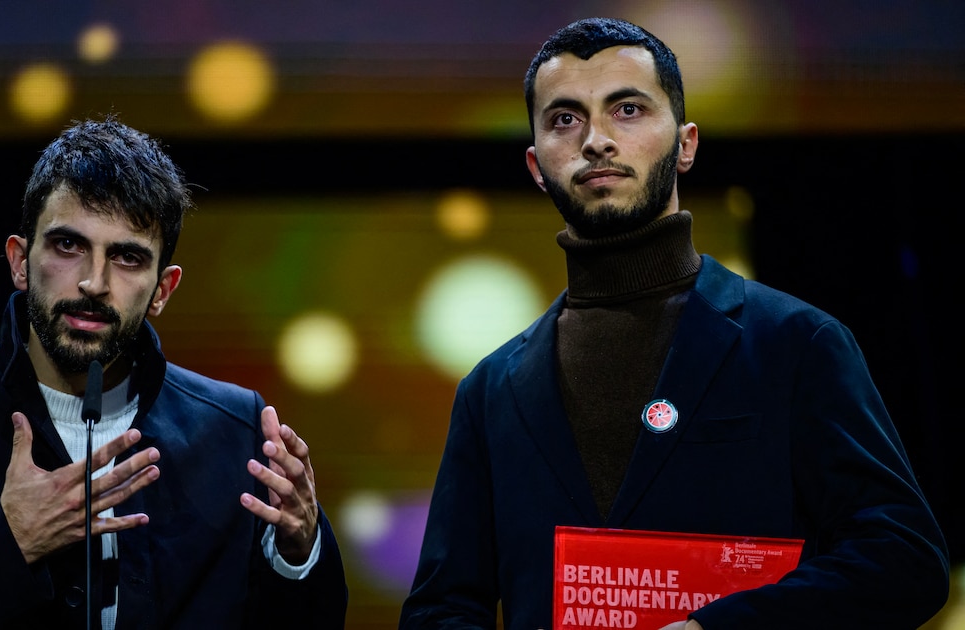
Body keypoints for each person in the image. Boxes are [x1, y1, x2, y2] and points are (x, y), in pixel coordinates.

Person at [398, 17, 949, 630]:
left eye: (627, 110)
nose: (596, 140)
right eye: (564, 119)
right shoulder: (491, 390)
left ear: (686, 143)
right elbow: (441, 609)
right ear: (535, 163)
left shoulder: (797, 342)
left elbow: (904, 558)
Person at [0, 115, 349, 630]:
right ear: (19, 260)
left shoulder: (236, 431)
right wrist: (5, 546)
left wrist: (298, 553)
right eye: (67, 245)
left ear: (163, 290)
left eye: (127, 257)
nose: (94, 283)